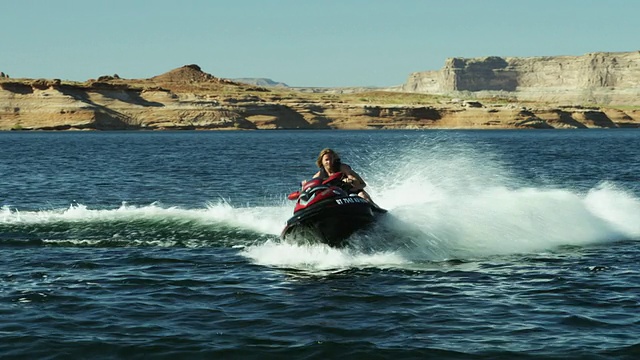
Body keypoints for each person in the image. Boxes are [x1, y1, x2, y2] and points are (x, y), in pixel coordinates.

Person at [307, 148, 378, 206]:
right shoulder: (318, 175)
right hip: (334, 195)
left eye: (331, 159)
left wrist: (349, 180)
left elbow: (354, 179)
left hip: (350, 191)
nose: (329, 162)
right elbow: (314, 188)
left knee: (362, 195)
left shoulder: (343, 167)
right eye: (326, 160)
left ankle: (375, 209)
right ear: (321, 161)